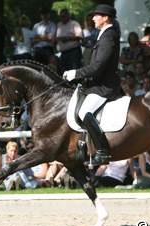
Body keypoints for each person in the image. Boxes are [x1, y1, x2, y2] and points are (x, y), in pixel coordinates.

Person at [62, 4, 120, 166]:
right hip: (96, 82)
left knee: (85, 112)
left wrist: (76, 73)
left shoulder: (109, 36)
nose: (93, 18)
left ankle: (102, 152)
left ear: (106, 18)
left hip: (105, 85)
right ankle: (83, 146)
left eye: (96, 15)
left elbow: (98, 66)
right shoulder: (102, 34)